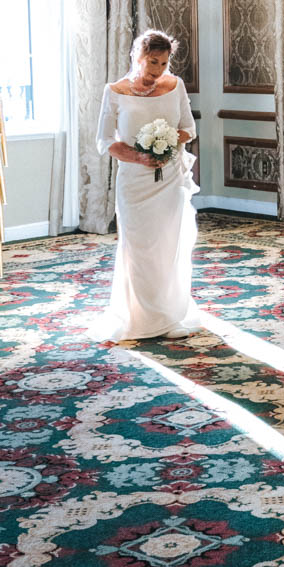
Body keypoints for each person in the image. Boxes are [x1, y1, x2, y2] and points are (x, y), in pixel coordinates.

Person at [93, 28, 203, 342]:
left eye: (164, 64)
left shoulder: (175, 85)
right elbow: (105, 142)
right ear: (137, 57)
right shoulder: (114, 91)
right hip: (134, 183)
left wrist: (167, 143)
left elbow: (188, 129)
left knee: (167, 246)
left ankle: (169, 317)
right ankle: (139, 319)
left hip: (169, 181)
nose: (157, 71)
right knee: (138, 248)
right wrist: (140, 157)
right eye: (152, 62)